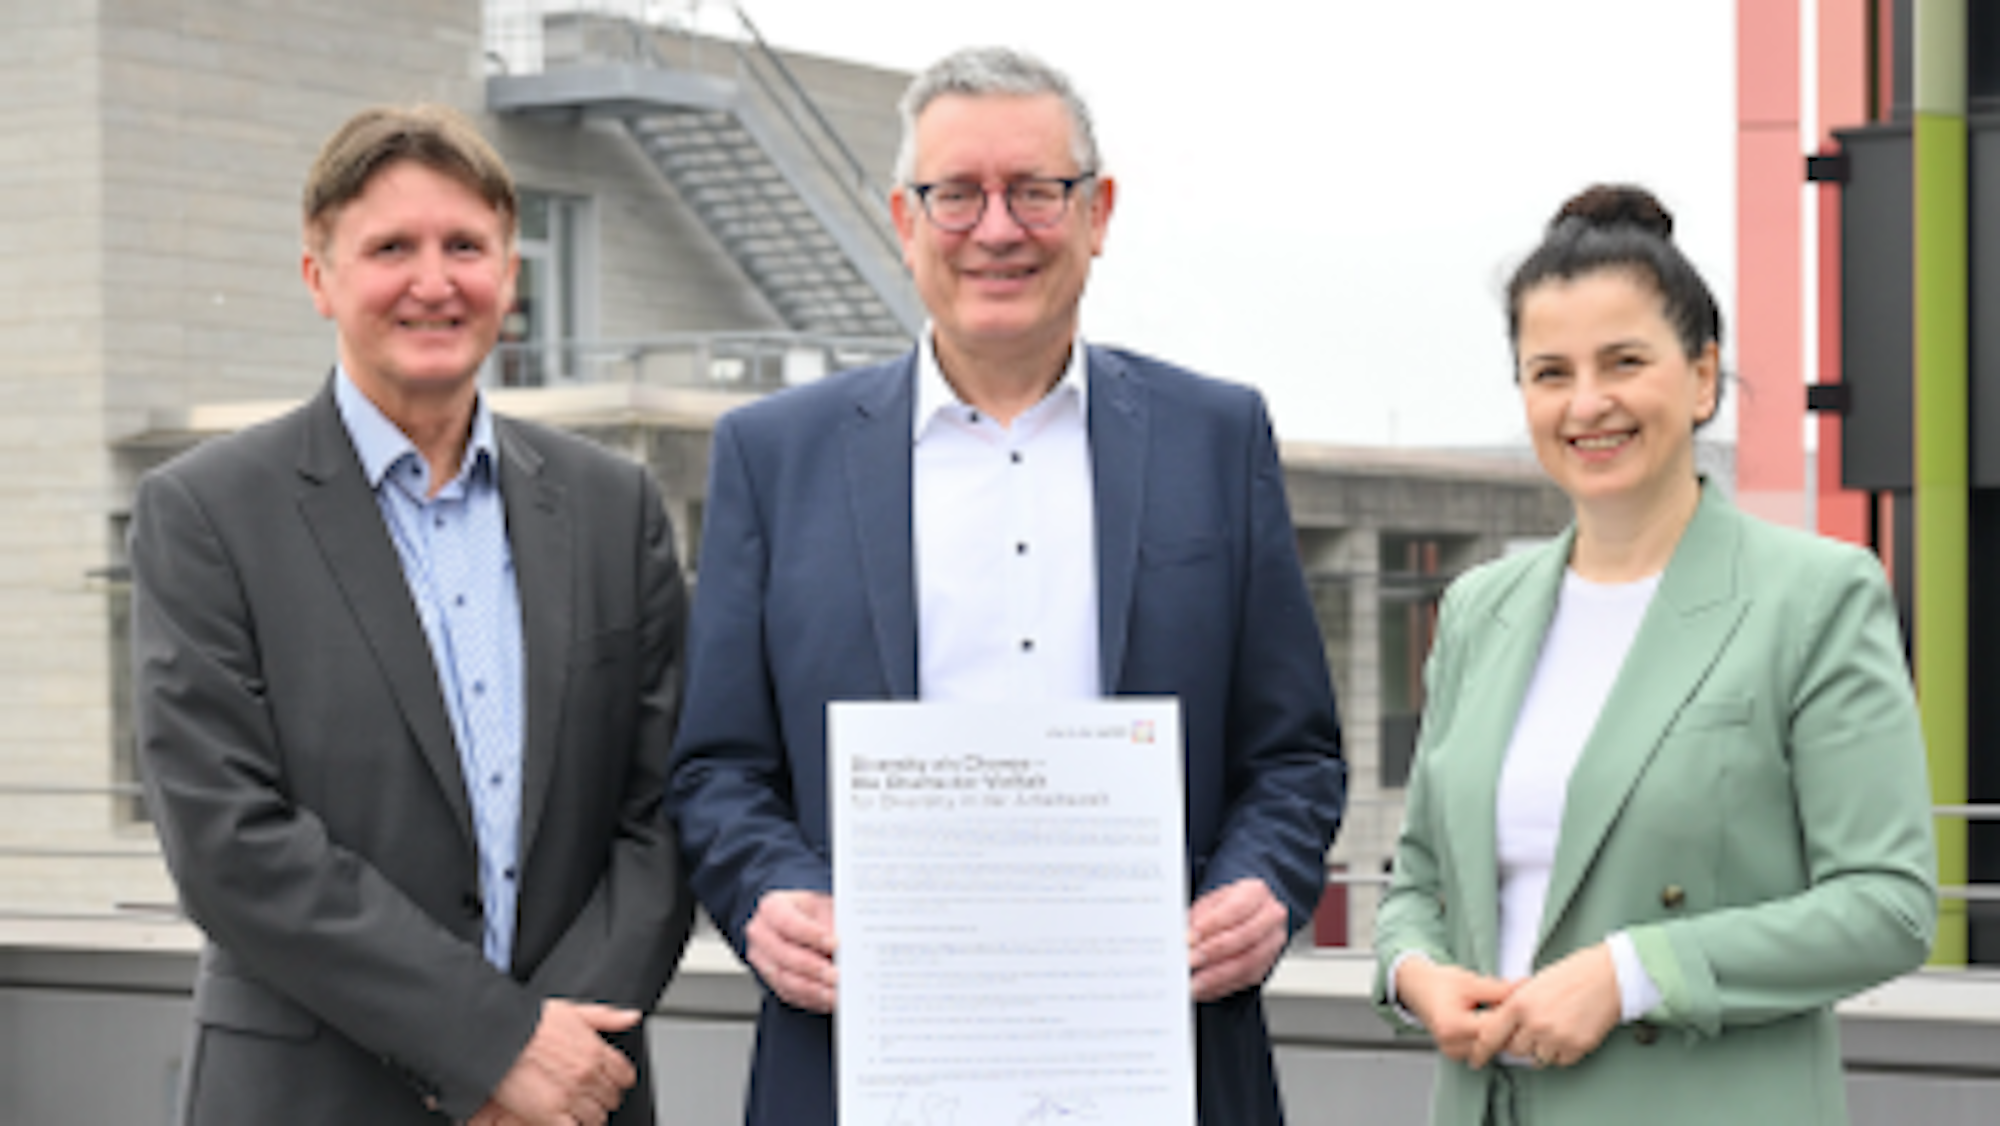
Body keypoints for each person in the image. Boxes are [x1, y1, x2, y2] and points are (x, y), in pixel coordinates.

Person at [666, 46, 1346, 1126]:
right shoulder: (772, 456)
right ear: (903, 217)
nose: (996, 229)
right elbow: (716, 767)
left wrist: (1262, 883)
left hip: (1156, 1057)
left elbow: (1293, 753)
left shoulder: (1213, 438)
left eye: (1035, 191)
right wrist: (765, 896)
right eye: (956, 195)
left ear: (1097, 211)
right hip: (864, 1062)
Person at [130, 104, 693, 1126]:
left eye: (465, 247)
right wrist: (494, 1046)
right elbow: (228, 840)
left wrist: (552, 1060)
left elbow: (659, 810)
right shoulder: (207, 512)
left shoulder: (614, 506)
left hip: (577, 1099)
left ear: (509, 277)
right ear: (320, 279)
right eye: (391, 247)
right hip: (314, 1095)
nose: (433, 282)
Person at [1373, 184, 1937, 1125]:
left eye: (1624, 362)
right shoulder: (1480, 609)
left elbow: (1887, 905)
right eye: (1549, 373)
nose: (1587, 403)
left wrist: (1633, 973)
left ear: (1703, 376)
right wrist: (1415, 974)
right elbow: (1420, 880)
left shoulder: (1816, 595)